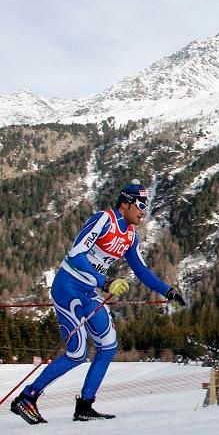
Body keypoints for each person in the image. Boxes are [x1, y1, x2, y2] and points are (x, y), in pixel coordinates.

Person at [11, 180, 186, 425]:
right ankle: (27, 397)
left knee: (108, 345)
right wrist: (104, 282)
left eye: (146, 207)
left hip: (88, 291)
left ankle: (84, 405)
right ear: (125, 203)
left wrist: (168, 291)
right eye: (140, 206)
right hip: (68, 286)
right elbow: (75, 255)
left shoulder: (130, 236)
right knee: (77, 353)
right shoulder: (104, 219)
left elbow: (141, 270)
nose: (143, 212)